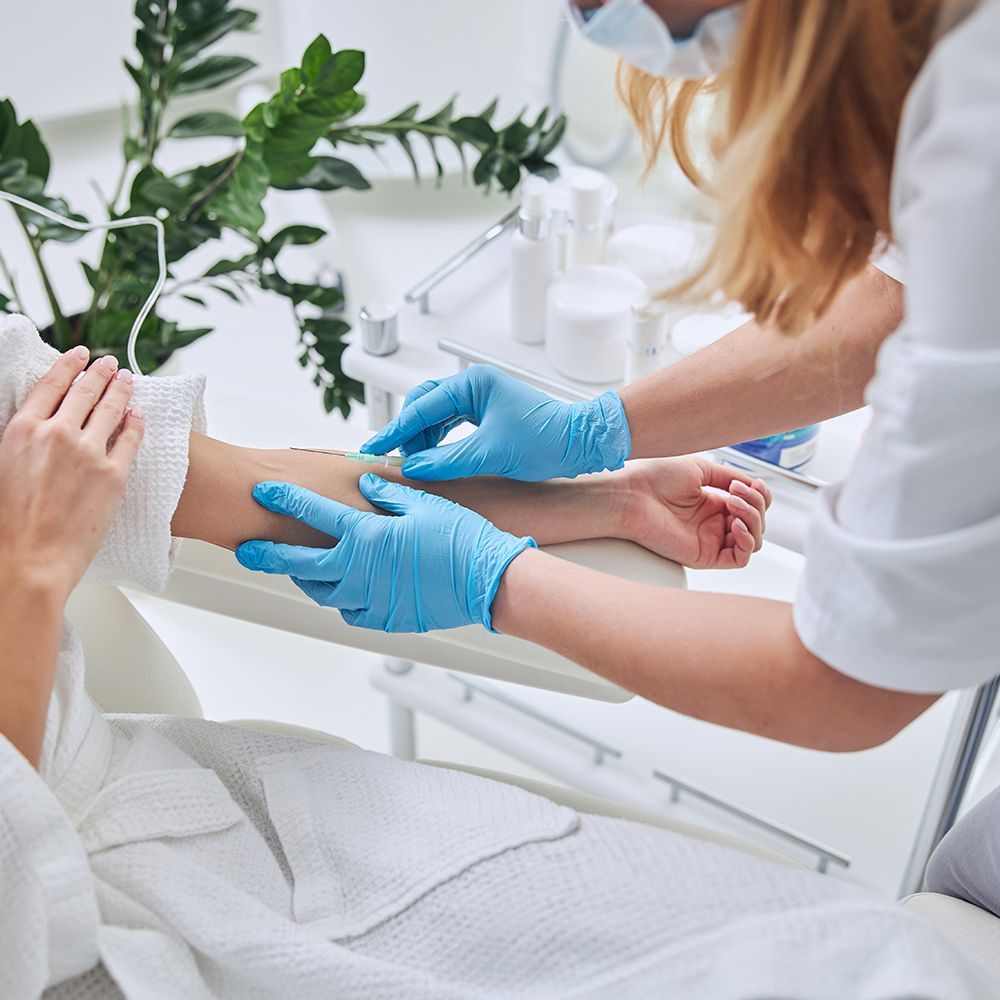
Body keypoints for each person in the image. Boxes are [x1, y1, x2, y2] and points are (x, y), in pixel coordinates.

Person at [1, 312, 992, 999]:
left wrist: (599, 481)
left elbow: (230, 484)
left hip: (193, 828)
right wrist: (30, 575)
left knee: (860, 959)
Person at [238, 3, 999, 758]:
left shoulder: (978, 150)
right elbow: (901, 296)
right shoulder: (948, 76)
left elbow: (846, 685)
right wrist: (595, 434)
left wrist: (491, 579)